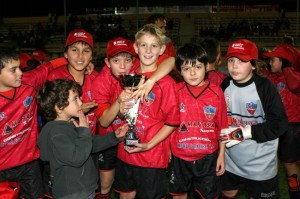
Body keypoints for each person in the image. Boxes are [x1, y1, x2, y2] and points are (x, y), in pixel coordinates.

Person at [92, 36, 176, 199]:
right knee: (106, 184)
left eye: (127, 60)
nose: (123, 66)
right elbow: (104, 121)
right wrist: (119, 102)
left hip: (140, 139)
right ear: (108, 62)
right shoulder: (101, 81)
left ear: (134, 58)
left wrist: (151, 80)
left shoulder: (138, 68)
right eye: (116, 60)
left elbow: (171, 60)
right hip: (109, 137)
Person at [112, 24, 180, 199]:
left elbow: (172, 122)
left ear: (162, 49)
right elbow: (124, 115)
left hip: (151, 156)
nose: (148, 51)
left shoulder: (166, 83)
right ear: (135, 47)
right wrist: (121, 110)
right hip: (126, 151)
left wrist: (150, 144)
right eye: (143, 45)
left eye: (154, 46)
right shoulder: (129, 75)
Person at [36, 78, 129, 199]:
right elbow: (77, 157)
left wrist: (114, 136)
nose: (81, 103)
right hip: (73, 193)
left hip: (84, 189)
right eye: (75, 99)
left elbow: (89, 145)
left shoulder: (69, 124)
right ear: (59, 107)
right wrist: (84, 131)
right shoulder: (57, 132)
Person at [219, 39, 288, 199]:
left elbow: (279, 125)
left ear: (254, 65)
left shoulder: (265, 88)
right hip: (231, 162)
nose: (234, 66)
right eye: (231, 60)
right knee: (227, 192)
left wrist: (243, 133)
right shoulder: (225, 85)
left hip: (260, 167)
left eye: (241, 61)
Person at [42, 28, 98, 198]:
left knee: (88, 189)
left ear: (92, 56)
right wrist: (78, 111)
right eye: (74, 50)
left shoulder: (97, 77)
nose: (80, 56)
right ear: (65, 54)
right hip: (63, 149)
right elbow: (49, 112)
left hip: (89, 143)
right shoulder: (54, 77)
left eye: (86, 51)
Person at [168, 42, 227, 198]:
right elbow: (168, 124)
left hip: (208, 157)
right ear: (179, 71)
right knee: (178, 194)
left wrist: (221, 155)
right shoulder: (175, 90)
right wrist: (167, 149)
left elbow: (222, 126)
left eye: (198, 67)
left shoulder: (216, 92)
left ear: (207, 67)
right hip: (180, 156)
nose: (193, 73)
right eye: (187, 68)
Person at [0, 49, 59, 199]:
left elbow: (49, 66)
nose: (20, 73)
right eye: (13, 70)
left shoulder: (29, 81)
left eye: (19, 67)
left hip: (29, 162)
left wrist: (82, 64)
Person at [263, 45, 300, 199]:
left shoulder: (295, 76)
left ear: (284, 62)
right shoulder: (272, 76)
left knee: (289, 164)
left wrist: (286, 68)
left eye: (274, 59)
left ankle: (296, 195)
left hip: (292, 127)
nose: (270, 62)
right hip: (274, 126)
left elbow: (293, 85)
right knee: (270, 165)